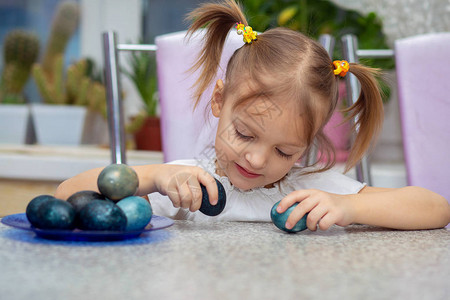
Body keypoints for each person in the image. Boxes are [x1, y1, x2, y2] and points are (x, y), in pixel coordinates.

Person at [55, 0, 450, 230]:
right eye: (244, 134)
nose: (258, 159)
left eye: (284, 151)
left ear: (307, 146)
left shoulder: (308, 193)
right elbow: (65, 196)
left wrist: (350, 207)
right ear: (218, 101)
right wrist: (155, 176)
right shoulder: (185, 185)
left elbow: (435, 207)